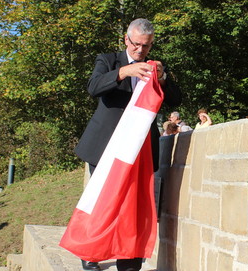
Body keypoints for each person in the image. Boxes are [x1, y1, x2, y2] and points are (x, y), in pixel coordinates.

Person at [73, 18, 181, 271]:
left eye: (146, 46)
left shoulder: (156, 67)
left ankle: (129, 261)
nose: (140, 51)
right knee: (102, 204)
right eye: (136, 45)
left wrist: (163, 77)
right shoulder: (108, 60)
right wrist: (124, 72)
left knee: (132, 209)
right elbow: (94, 87)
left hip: (140, 150)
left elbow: (175, 99)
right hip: (106, 148)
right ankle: (91, 252)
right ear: (126, 39)